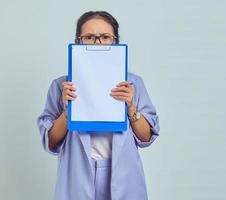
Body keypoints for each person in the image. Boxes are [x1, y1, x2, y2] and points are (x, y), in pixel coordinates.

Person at [37, 11, 160, 200]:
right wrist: (66, 110)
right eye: (89, 37)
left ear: (116, 42)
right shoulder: (61, 86)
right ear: (78, 42)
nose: (97, 43)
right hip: (77, 176)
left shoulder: (133, 83)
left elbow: (147, 137)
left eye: (105, 37)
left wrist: (131, 108)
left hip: (122, 175)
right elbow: (51, 142)